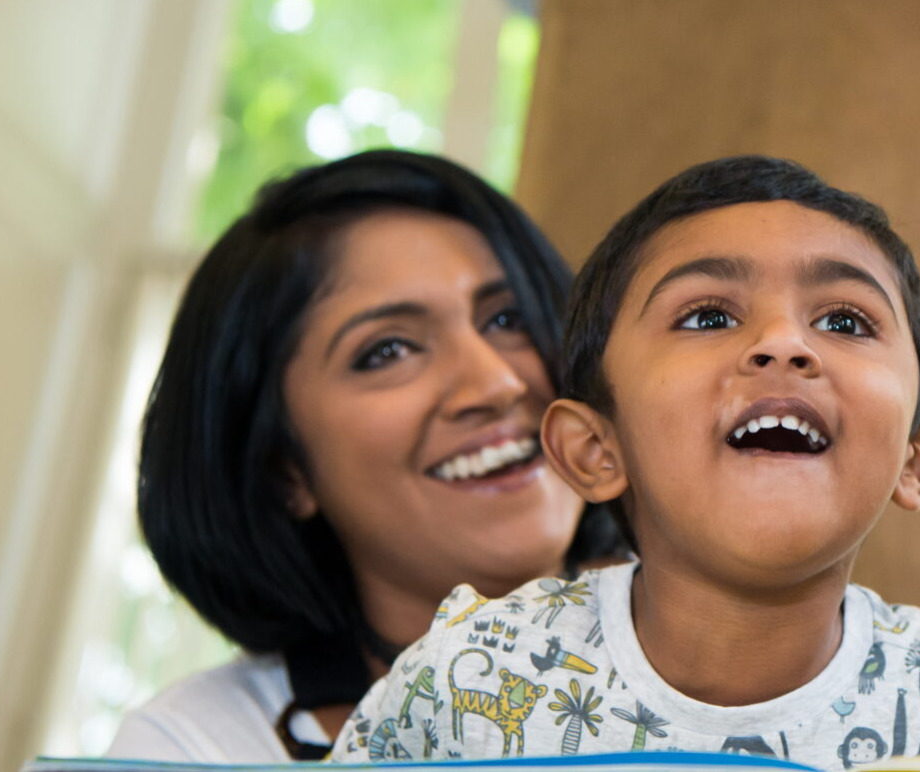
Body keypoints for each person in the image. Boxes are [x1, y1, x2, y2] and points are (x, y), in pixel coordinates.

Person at [330, 156, 920, 771]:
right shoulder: (470, 679)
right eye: (707, 316)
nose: (784, 343)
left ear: (916, 461)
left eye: (845, 321)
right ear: (595, 450)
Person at [107, 150, 623, 762]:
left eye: (506, 317)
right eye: (389, 351)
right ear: (284, 468)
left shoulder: (740, 653)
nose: (496, 384)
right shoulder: (195, 747)